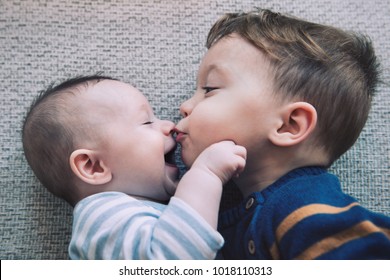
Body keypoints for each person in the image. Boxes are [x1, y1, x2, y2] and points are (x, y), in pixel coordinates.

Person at [175, 8, 390, 259]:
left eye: (210, 88)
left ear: (289, 125)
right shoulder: (224, 213)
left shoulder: (309, 211)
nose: (184, 107)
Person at [22, 75, 246, 259]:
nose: (169, 126)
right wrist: (205, 174)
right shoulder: (102, 218)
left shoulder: (124, 215)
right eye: (147, 122)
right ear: (94, 167)